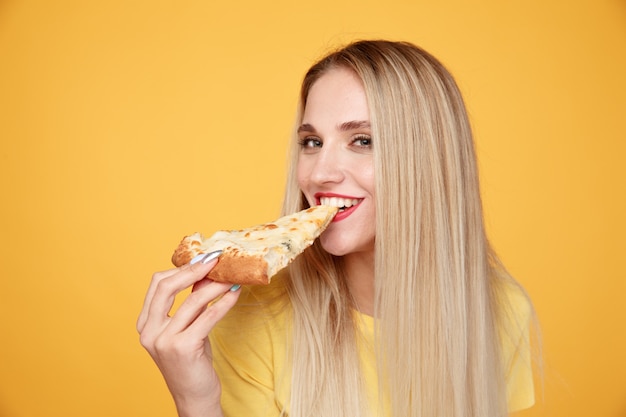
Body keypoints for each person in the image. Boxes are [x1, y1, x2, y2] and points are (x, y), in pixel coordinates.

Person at [137, 39, 537, 417]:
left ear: (430, 160)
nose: (320, 173)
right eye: (312, 142)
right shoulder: (254, 315)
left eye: (362, 140)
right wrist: (198, 403)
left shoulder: (498, 312)